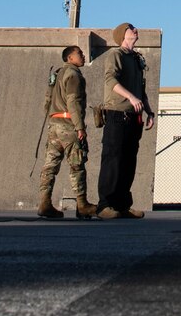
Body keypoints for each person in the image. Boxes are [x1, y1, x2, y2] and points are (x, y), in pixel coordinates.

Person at [95, 21, 154, 219]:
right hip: (117, 114)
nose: (136, 30)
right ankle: (105, 205)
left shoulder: (136, 59)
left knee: (129, 161)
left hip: (134, 117)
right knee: (113, 159)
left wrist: (149, 111)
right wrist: (130, 97)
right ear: (123, 35)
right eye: (131, 28)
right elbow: (110, 81)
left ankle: (122, 205)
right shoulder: (116, 55)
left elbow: (141, 89)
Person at [37, 43, 97, 220]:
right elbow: (73, 102)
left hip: (54, 124)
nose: (83, 56)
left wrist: (50, 119)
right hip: (68, 125)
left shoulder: (56, 74)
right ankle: (82, 204)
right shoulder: (73, 75)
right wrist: (79, 127)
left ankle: (44, 203)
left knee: (50, 165)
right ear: (70, 58)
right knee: (77, 165)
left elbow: (47, 100)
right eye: (79, 54)